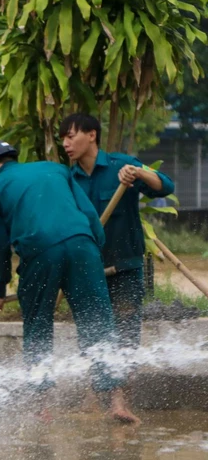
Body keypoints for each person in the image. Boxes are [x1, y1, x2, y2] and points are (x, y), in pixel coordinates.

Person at [0, 140, 140, 424]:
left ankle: (42, 408)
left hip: (40, 252)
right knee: (98, 323)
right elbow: (89, 214)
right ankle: (117, 403)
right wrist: (92, 252)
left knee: (37, 326)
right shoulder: (56, 169)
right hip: (83, 246)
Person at [60, 113, 175, 349]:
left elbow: (165, 186)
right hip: (88, 274)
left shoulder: (123, 165)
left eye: (70, 137)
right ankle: (99, 374)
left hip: (125, 269)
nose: (65, 144)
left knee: (126, 341)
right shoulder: (68, 180)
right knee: (93, 343)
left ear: (92, 135)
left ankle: (125, 374)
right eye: (63, 138)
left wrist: (139, 172)